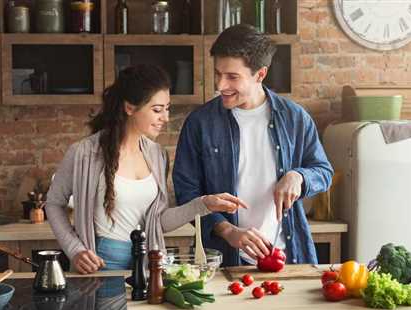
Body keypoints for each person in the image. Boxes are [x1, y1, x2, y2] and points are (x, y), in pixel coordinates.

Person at [46, 64, 247, 274]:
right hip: (102, 262)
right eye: (157, 110)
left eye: (167, 108)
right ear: (130, 108)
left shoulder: (157, 155)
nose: (165, 118)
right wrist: (75, 249)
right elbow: (53, 204)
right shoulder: (84, 153)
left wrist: (204, 204)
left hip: (148, 261)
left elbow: (157, 222)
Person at [173, 24, 333, 267]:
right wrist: (227, 230)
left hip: (287, 258)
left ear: (260, 74)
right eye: (217, 73)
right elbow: (187, 192)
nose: (220, 85)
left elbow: (323, 171)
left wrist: (298, 176)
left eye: (232, 77)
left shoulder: (295, 118)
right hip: (224, 261)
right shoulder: (200, 124)